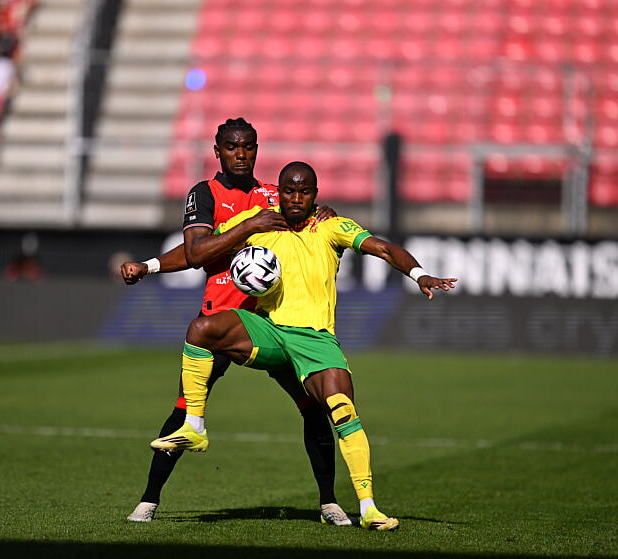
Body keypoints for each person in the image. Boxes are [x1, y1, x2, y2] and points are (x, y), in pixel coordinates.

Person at [151, 161, 457, 530]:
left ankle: (368, 507)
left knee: (342, 410)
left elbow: (385, 249)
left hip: (314, 340)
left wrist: (419, 274)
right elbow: (196, 252)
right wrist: (149, 266)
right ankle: (194, 426)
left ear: (316, 193)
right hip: (268, 329)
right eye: (289, 191)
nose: (296, 198)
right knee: (201, 328)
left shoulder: (331, 226)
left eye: (305, 191)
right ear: (278, 191)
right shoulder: (261, 222)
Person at [120, 119, 349, 526]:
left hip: (272, 324)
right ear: (218, 151)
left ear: (257, 150)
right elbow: (196, 252)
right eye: (232, 147)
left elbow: (306, 222)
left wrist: (323, 213)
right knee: (185, 411)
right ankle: (149, 500)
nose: (240, 154)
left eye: (247, 147)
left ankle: (329, 502)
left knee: (313, 409)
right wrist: (151, 266)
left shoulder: (272, 196)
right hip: (223, 326)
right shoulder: (205, 193)